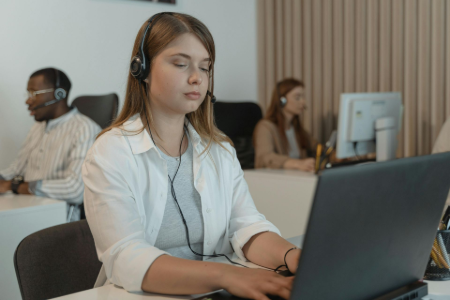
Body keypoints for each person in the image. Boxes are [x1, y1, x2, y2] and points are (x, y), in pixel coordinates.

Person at [82, 12, 300, 299]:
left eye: (205, 67)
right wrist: (228, 276)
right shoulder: (111, 152)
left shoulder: (219, 149)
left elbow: (246, 226)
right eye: (180, 64)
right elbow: (126, 256)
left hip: (216, 290)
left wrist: (294, 256)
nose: (197, 78)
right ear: (142, 69)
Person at [0, 68, 101, 221]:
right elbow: (17, 168)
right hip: (28, 207)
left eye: (34, 93)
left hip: (58, 219)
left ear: (59, 94)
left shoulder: (84, 129)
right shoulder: (38, 127)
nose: (28, 100)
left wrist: (16, 187)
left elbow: (76, 189)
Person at [253, 78, 317, 172]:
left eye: (303, 97)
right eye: (297, 97)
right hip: (278, 181)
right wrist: (297, 164)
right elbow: (265, 157)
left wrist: (335, 156)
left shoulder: (296, 128)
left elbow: (317, 146)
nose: (303, 102)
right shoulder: (265, 127)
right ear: (282, 100)